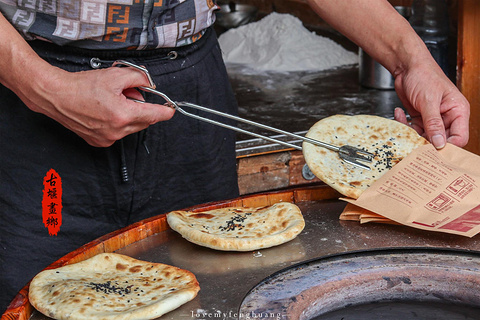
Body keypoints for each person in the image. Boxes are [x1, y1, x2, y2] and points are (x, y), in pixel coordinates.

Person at [0, 0, 470, 314]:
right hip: (31, 82)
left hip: (189, 80)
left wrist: (413, 61)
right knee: (34, 300)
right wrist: (44, 87)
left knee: (215, 295)